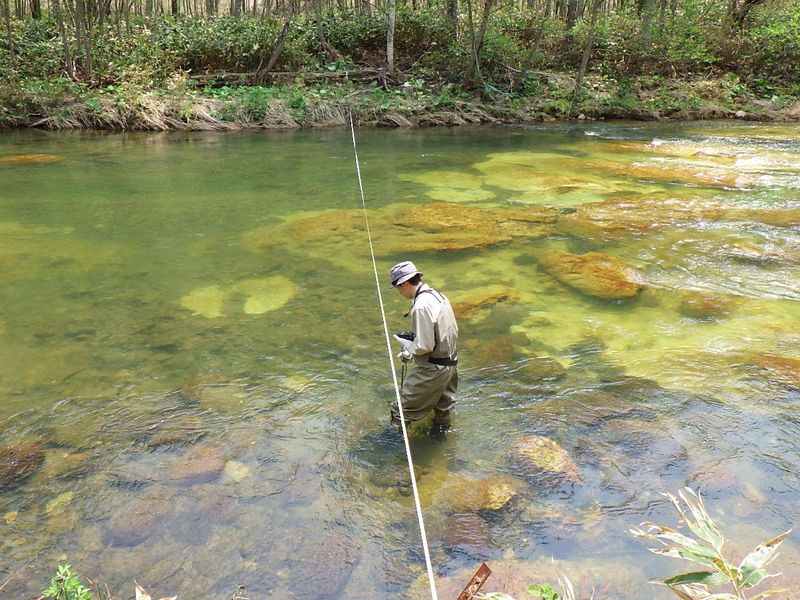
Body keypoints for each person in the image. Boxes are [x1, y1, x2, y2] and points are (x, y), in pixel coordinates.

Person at [389, 260, 459, 434]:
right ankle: (439, 443)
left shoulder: (420, 306)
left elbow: (425, 346)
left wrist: (408, 348)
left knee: (400, 410)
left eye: (398, 288)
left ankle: (393, 450)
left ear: (404, 283)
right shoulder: (438, 295)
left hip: (434, 369)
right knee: (443, 408)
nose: (399, 292)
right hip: (451, 364)